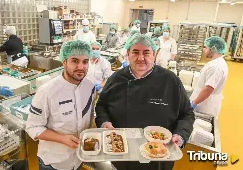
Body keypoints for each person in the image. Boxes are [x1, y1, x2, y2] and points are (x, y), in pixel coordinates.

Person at [95, 34, 195, 170]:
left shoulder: (170, 80)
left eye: (146, 52)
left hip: (159, 157)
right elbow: (101, 106)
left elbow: (187, 113)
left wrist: (181, 135)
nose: (141, 58)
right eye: (135, 52)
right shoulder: (116, 79)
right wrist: (104, 122)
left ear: (154, 54)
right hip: (122, 155)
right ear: (128, 54)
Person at [25, 40, 96, 170]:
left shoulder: (90, 86)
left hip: (79, 157)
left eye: (85, 61)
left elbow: (89, 115)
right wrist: (62, 139)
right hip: (54, 162)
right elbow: (32, 127)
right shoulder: (47, 91)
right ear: (64, 62)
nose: (81, 66)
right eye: (75, 61)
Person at [190, 36, 229, 117]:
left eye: (206, 47)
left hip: (204, 105)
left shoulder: (215, 67)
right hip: (205, 102)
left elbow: (208, 89)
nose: (204, 50)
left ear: (213, 49)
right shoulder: (217, 62)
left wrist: (194, 103)